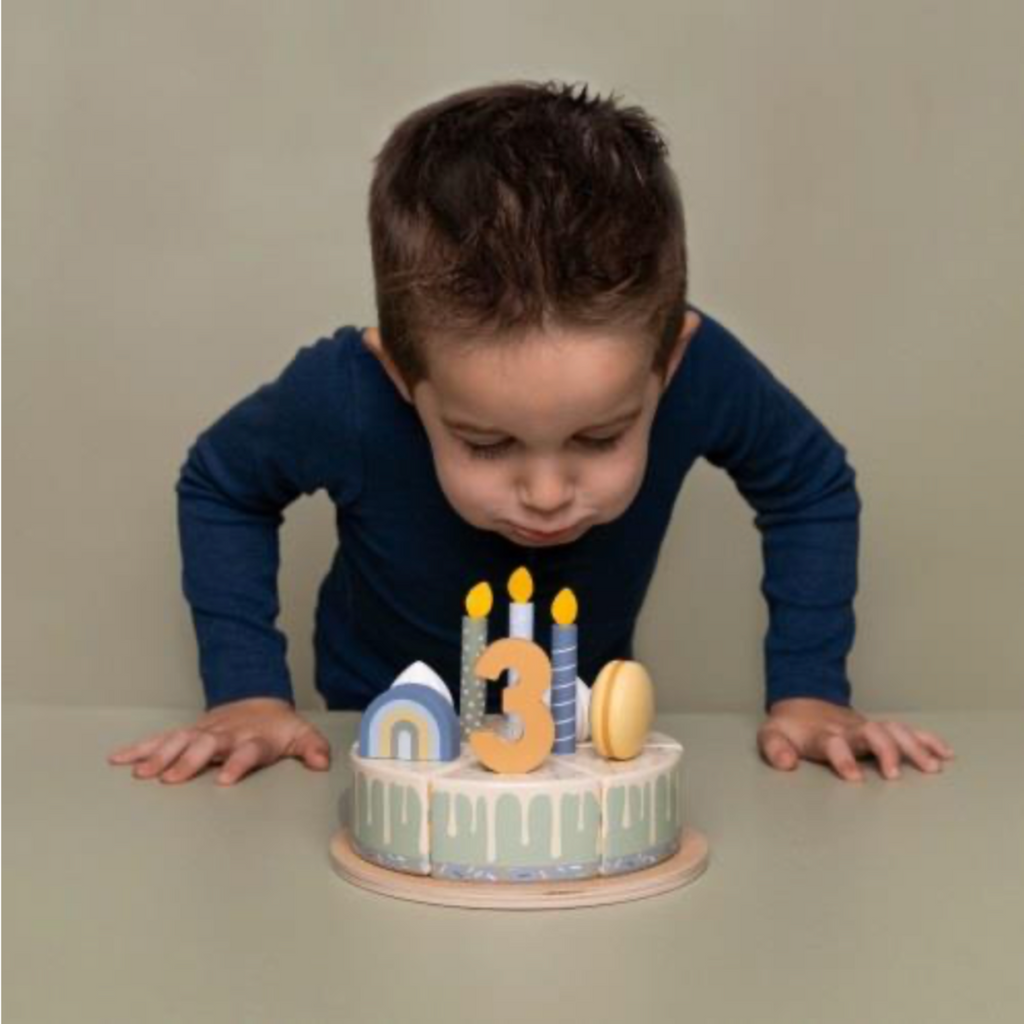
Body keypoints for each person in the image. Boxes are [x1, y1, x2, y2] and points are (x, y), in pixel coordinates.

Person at [109, 79, 954, 787]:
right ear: (403, 380)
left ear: (667, 365)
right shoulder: (349, 394)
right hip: (381, 745)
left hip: (580, 748)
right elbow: (224, 483)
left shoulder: (700, 372)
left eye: (600, 438)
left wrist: (809, 690)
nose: (547, 496)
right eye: (485, 444)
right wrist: (247, 692)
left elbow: (808, 483)